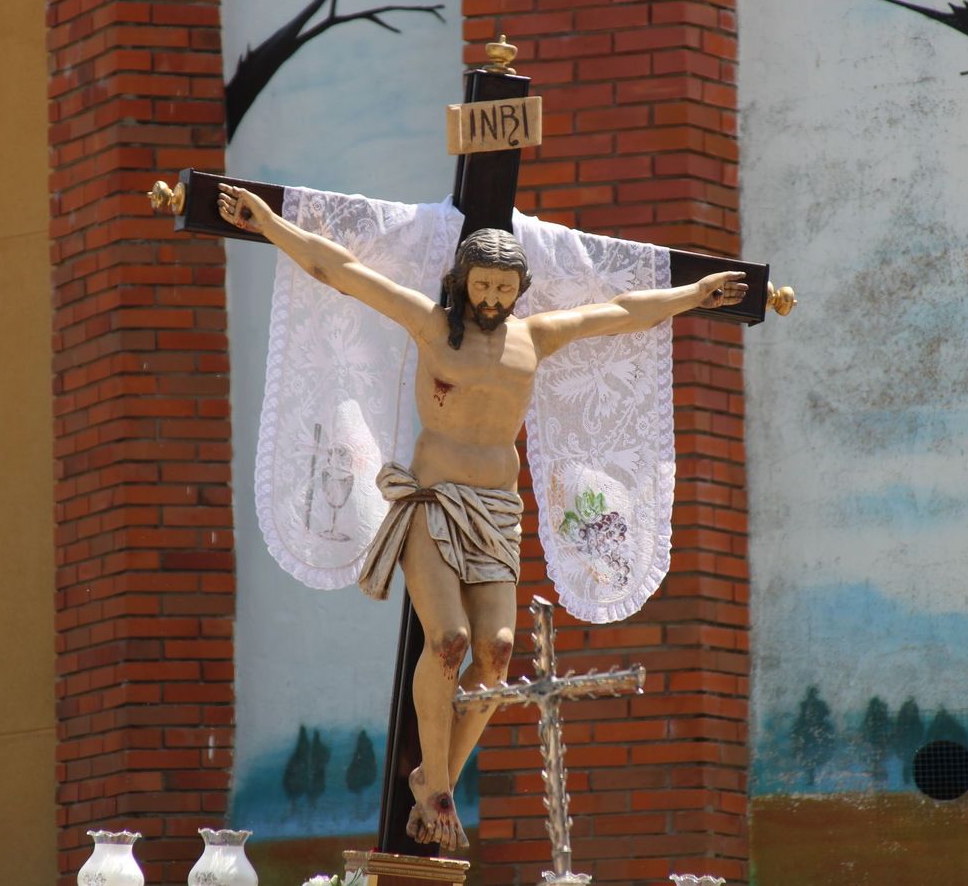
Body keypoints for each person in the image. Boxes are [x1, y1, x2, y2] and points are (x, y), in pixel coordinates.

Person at [216, 184, 746, 849]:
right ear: (462, 282)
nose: (493, 299)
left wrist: (694, 296)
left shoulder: (534, 337)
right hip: (434, 503)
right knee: (450, 642)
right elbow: (341, 270)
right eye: (483, 286)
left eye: (504, 288)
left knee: (495, 656)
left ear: (518, 289)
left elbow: (620, 311)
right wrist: (268, 224)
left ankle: (438, 781)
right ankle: (434, 784)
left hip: (497, 510)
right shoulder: (433, 326)